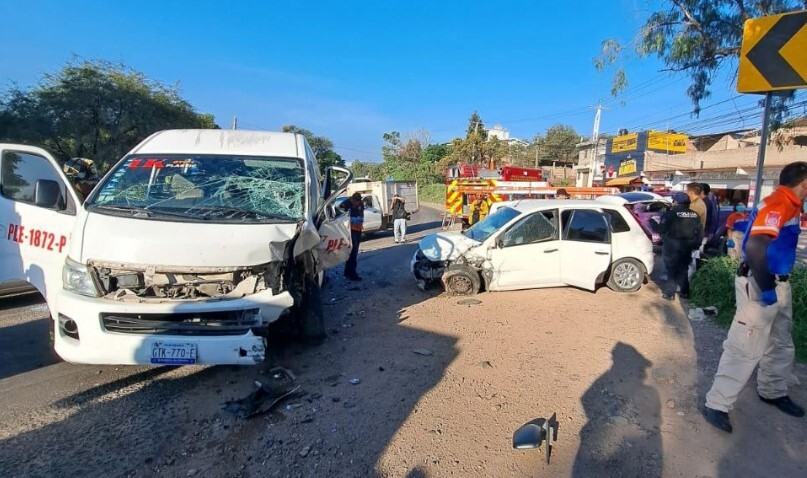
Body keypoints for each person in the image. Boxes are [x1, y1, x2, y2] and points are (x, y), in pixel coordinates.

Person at [704, 161, 807, 433]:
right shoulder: (779, 203)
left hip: (778, 282)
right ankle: (717, 404)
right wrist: (768, 289)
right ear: (804, 184)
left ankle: (772, 390)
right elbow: (755, 246)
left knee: (781, 342)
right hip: (760, 283)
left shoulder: (792, 205)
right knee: (745, 345)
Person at [658, 192, 702, 301]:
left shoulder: (671, 213)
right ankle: (685, 292)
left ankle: (669, 293)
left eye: (674, 200)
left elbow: (662, 229)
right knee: (683, 269)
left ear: (677, 202)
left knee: (672, 269)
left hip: (673, 245)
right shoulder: (694, 214)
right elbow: (700, 231)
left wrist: (652, 222)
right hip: (688, 246)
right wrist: (696, 244)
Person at [339, 192, 365, 281]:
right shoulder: (345, 204)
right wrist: (351, 219)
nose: (357, 204)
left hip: (358, 229)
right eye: (356, 202)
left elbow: (361, 213)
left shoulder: (361, 203)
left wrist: (360, 219)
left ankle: (347, 272)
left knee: (355, 250)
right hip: (349, 230)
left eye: (359, 202)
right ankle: (352, 273)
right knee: (353, 251)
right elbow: (339, 216)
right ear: (352, 199)